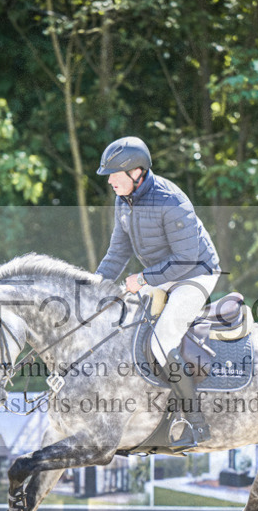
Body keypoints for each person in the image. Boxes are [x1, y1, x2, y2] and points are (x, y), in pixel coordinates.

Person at [94, 136, 221, 450]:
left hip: (196, 273)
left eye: (114, 174)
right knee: (121, 328)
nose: (109, 180)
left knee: (162, 341)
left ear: (137, 172)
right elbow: (117, 253)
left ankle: (196, 424)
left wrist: (143, 279)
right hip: (160, 274)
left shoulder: (170, 200)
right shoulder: (124, 200)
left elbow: (187, 259)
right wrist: (94, 289)